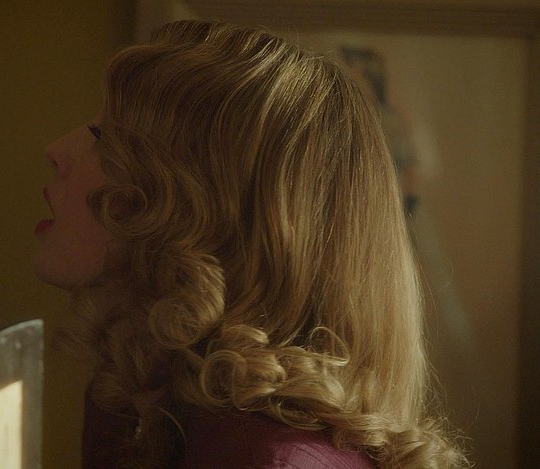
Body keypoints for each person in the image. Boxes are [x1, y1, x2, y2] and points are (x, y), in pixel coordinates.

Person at [34, 20, 468, 469]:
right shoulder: (137, 406)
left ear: (206, 211)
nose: (56, 149)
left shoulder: (259, 457)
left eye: (104, 137)